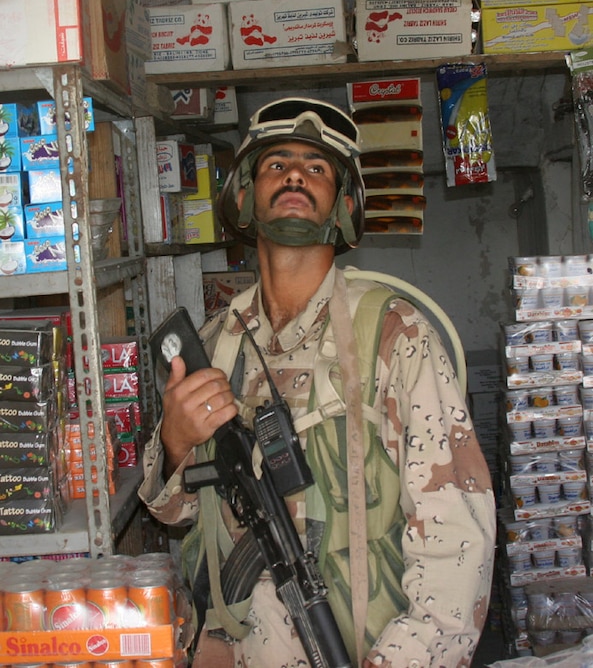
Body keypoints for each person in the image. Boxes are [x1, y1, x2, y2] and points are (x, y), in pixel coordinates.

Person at [139, 97, 496, 668]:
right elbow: (179, 515)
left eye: (316, 168)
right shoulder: (218, 341)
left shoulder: (395, 334)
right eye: (276, 165)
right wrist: (177, 444)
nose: (295, 176)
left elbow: (460, 542)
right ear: (244, 196)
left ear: (344, 205)